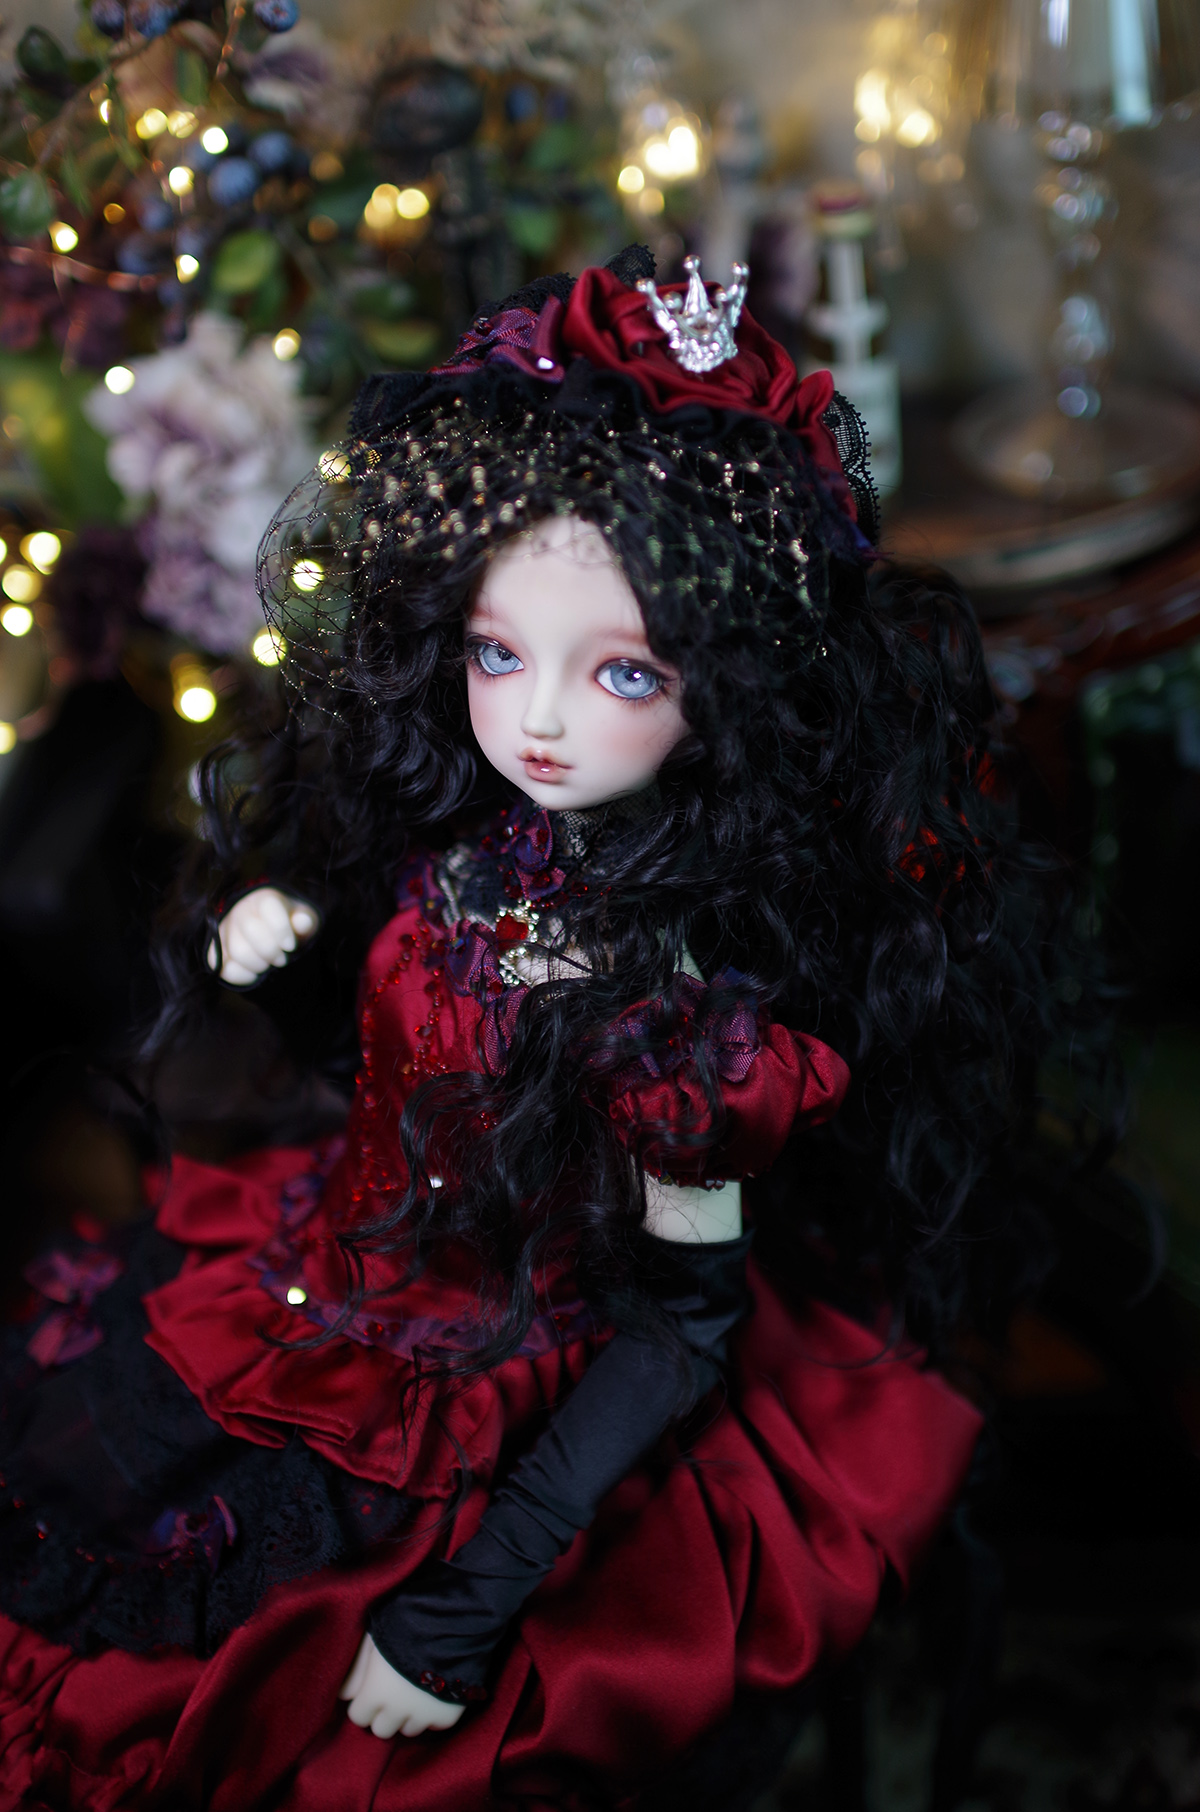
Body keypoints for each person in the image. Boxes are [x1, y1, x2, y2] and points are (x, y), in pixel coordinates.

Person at [0, 246, 1055, 1809]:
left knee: (278, 1733)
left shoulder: (684, 1023)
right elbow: (397, 1065)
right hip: (319, 1291)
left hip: (516, 1399)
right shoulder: (476, 842)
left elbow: (680, 1330)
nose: (540, 718)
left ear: (723, 689)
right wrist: (279, 959)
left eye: (620, 669)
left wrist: (465, 1609)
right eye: (500, 653)